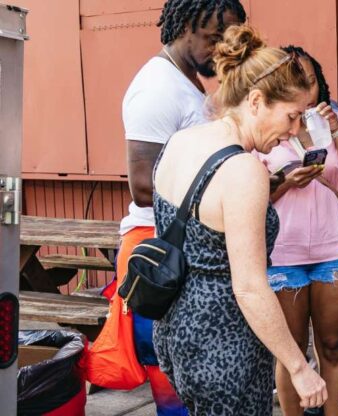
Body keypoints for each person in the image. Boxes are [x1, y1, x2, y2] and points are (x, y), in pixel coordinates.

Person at [152, 25, 327, 414]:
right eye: (292, 116)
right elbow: (248, 288)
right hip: (225, 344)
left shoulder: (180, 141)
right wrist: (299, 368)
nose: (295, 131)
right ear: (256, 101)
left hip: (175, 331)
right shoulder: (244, 170)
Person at [96, 2, 245, 414]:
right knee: (173, 387)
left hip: (186, 244)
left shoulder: (189, 81)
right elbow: (144, 187)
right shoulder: (157, 88)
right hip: (162, 252)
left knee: (194, 378)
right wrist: (227, 193)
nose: (222, 49)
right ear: (184, 28)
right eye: (214, 38)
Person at [256, 45, 338, 416]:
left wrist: (336, 128)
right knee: (291, 352)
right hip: (283, 255)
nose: (305, 92)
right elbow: (250, 197)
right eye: (295, 84)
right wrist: (285, 181)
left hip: (336, 253)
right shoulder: (264, 131)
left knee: (333, 347)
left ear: (319, 83)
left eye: (309, 82)